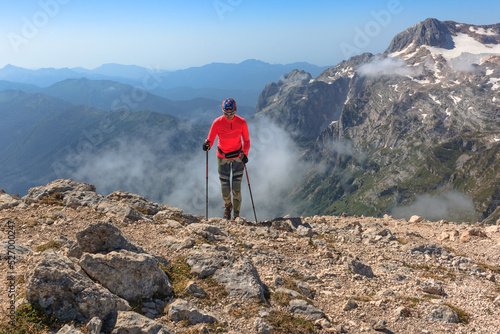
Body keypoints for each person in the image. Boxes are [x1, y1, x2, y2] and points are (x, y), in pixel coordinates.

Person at [203, 98, 250, 220]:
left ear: (235, 111)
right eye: (226, 113)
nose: (229, 116)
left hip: (238, 158)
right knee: (225, 189)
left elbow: (246, 141)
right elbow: (211, 139)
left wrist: (245, 154)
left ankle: (236, 217)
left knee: (236, 188)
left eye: (231, 113)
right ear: (223, 111)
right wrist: (207, 144)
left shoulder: (242, 122)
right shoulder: (217, 122)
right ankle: (228, 206)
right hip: (222, 157)